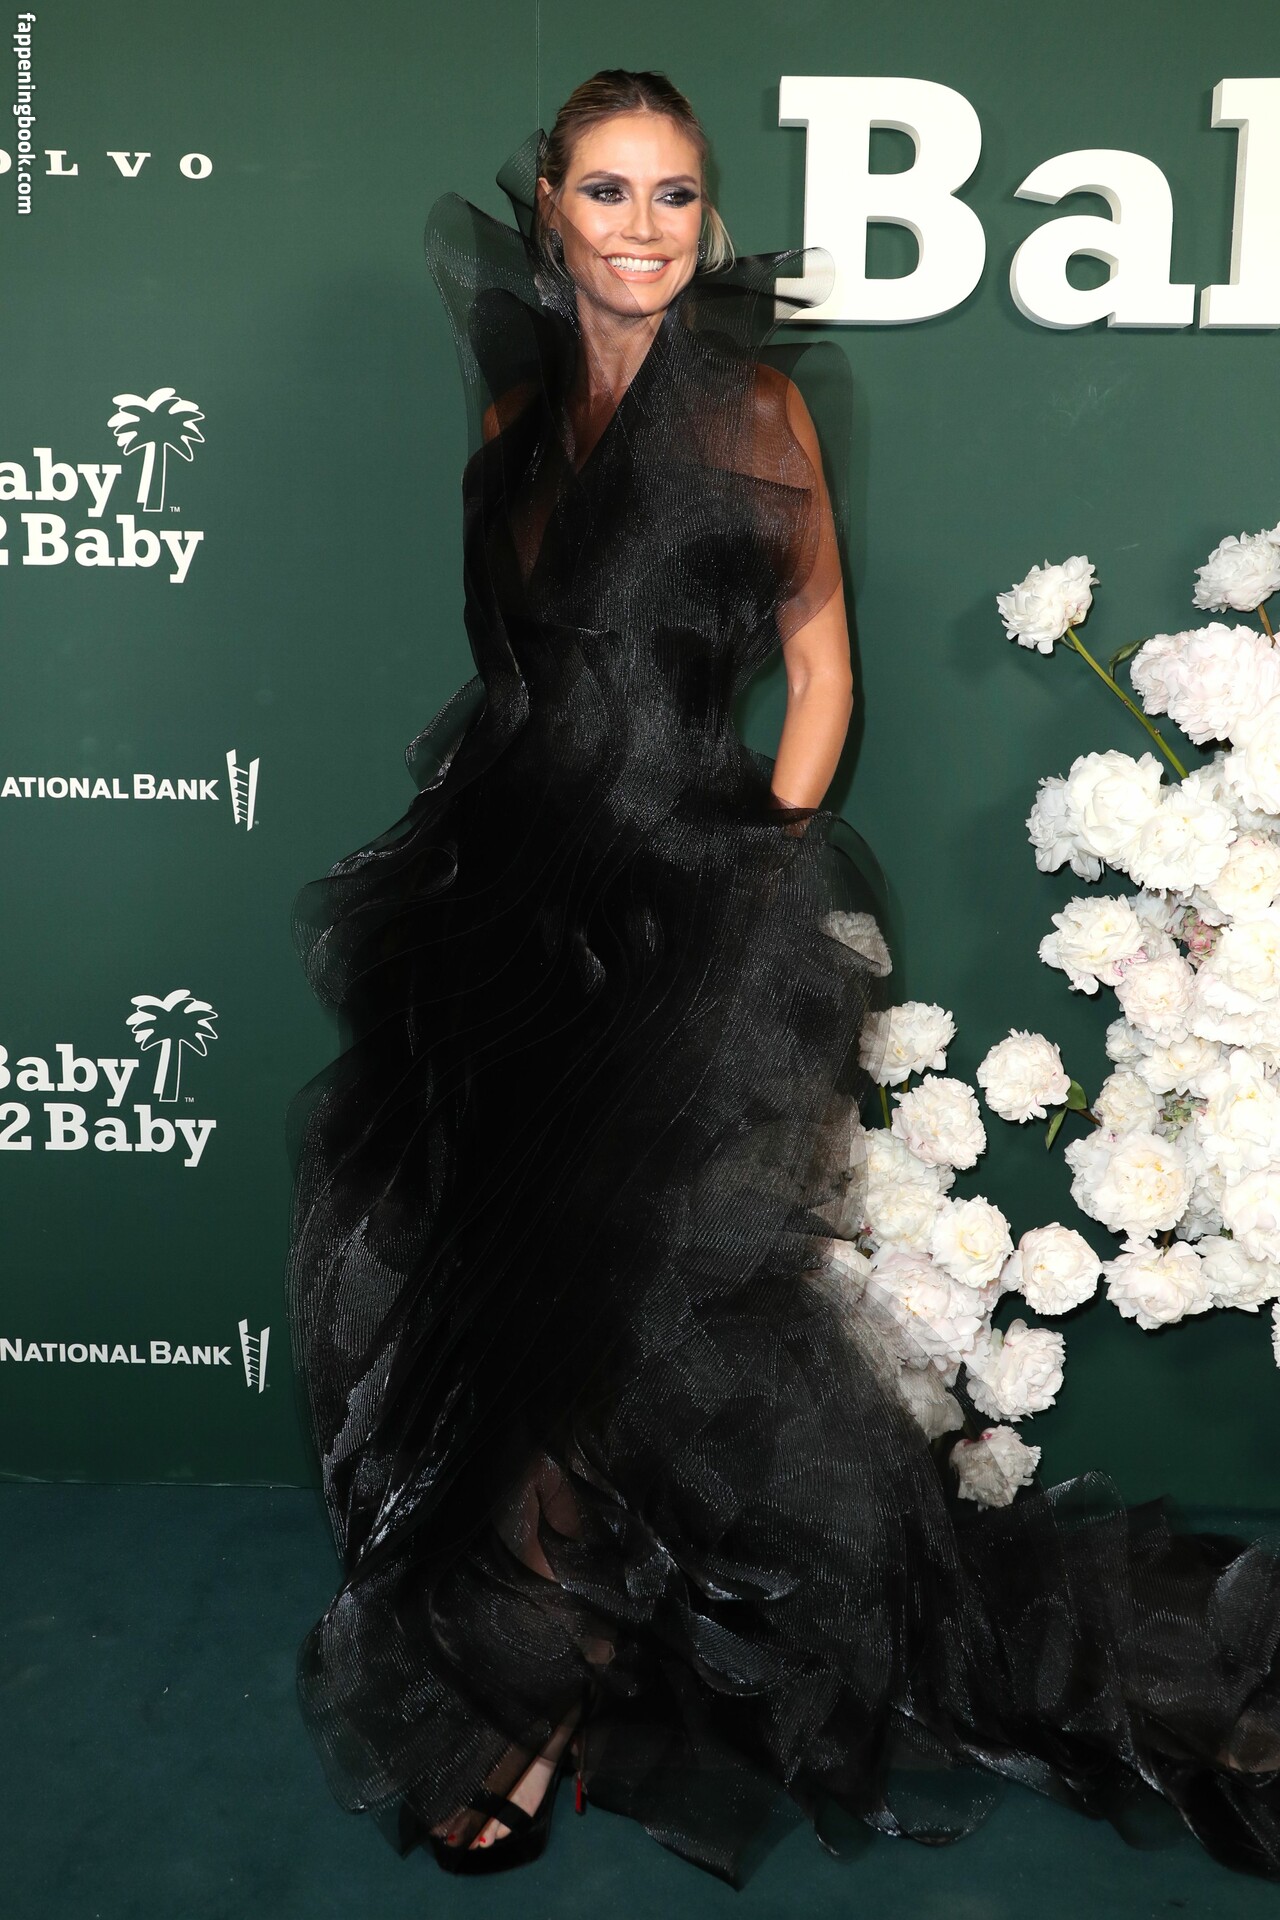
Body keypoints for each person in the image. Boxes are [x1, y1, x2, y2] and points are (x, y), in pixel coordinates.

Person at [284, 68, 1280, 1888]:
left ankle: (563, 1686)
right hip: (501, 909)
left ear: (706, 215)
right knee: (493, 1306)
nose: (643, 230)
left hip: (682, 910)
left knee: (637, 1302)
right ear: (550, 203)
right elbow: (520, 682)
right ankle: (539, 1682)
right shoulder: (512, 406)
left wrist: (746, 870)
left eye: (674, 195)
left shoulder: (752, 409)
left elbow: (820, 671)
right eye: (608, 192)